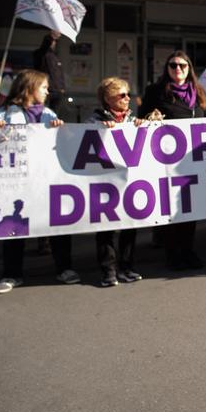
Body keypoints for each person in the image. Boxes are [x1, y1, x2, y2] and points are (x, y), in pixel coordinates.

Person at [0, 69, 75, 294]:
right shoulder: (4, 113)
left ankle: (64, 268)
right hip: (16, 180)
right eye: (44, 87)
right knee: (14, 228)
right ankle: (11, 274)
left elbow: (62, 143)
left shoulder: (48, 114)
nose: (47, 92)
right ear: (29, 88)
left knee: (57, 224)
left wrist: (60, 130)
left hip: (46, 177)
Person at [139, 50, 206, 270]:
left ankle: (188, 251)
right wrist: (148, 119)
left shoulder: (200, 93)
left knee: (190, 209)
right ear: (167, 68)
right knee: (171, 209)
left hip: (192, 161)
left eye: (182, 65)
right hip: (167, 162)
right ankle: (173, 254)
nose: (177, 69)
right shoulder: (156, 91)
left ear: (189, 68)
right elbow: (141, 118)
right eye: (173, 65)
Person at [87, 77, 144, 286]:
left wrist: (141, 126)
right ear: (107, 98)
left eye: (128, 94)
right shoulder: (94, 121)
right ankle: (108, 271)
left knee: (130, 225)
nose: (127, 98)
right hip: (105, 182)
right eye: (121, 95)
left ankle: (127, 266)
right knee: (106, 228)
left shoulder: (132, 120)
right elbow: (82, 141)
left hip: (128, 182)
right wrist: (101, 129)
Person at [33, 32, 68, 118]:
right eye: (52, 41)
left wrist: (62, 88)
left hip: (57, 91)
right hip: (47, 89)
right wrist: (52, 36)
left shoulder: (54, 57)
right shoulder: (42, 54)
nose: (54, 43)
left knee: (54, 114)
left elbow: (59, 74)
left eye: (54, 41)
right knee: (42, 111)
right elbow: (46, 44)